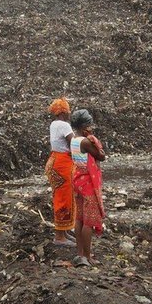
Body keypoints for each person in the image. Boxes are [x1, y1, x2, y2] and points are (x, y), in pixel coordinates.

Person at [70, 109, 106, 267]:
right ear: (84, 127)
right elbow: (100, 156)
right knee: (88, 221)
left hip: (77, 179)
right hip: (87, 183)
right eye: (90, 125)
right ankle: (87, 256)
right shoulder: (85, 142)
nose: (91, 128)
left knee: (79, 218)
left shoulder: (74, 139)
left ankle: (80, 254)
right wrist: (97, 145)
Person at [45, 98, 76, 247]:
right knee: (63, 198)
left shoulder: (54, 124)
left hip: (54, 161)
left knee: (61, 196)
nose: (70, 113)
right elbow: (74, 143)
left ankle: (64, 231)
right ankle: (59, 236)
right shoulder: (64, 125)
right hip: (62, 164)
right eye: (68, 110)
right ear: (64, 112)